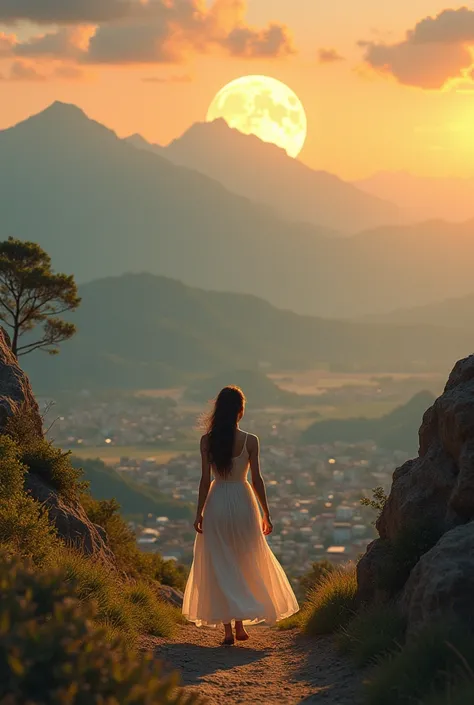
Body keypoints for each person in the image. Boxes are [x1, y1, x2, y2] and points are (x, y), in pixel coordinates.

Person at [183, 386, 299, 645]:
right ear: (240, 411)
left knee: (219, 563)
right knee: (243, 559)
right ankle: (239, 626)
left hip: (217, 502)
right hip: (244, 502)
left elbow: (204, 480)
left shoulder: (207, 441)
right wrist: (266, 512)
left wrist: (199, 512)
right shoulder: (251, 440)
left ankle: (226, 630)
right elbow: (257, 479)